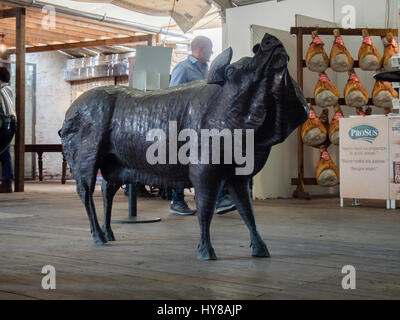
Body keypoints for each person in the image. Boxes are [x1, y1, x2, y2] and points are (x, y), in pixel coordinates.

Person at [169, 35, 236, 216]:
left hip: (203, 124)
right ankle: (177, 201)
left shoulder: (208, 70)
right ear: (200, 49)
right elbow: (172, 97)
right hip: (184, 125)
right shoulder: (182, 69)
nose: (212, 52)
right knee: (182, 161)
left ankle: (219, 199)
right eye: (210, 49)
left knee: (213, 159)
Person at [0, 67, 15, 193]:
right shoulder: (8, 89)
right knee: (5, 153)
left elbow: (3, 112)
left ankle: (7, 183)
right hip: (10, 124)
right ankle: (6, 182)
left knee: (4, 154)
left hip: (5, 124)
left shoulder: (1, 90)